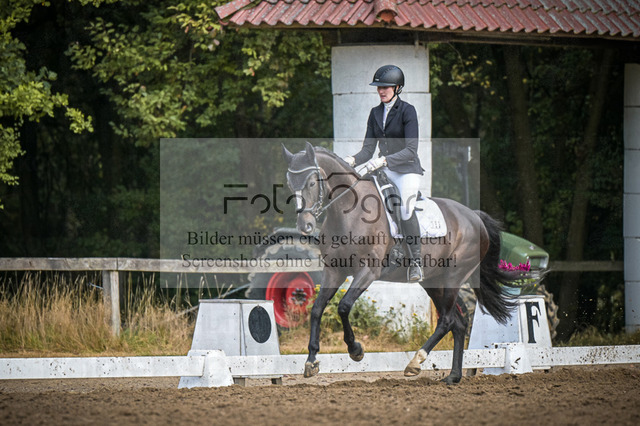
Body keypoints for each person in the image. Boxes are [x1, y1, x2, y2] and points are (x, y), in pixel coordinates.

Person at [344, 64, 424, 282]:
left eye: (385, 87)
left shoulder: (407, 111)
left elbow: (411, 150)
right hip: (384, 170)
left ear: (397, 88)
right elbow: (368, 150)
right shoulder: (375, 113)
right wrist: (351, 160)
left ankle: (416, 262)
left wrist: (384, 160)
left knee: (405, 208)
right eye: (379, 87)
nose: (381, 91)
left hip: (406, 170)